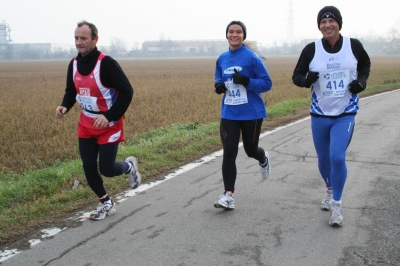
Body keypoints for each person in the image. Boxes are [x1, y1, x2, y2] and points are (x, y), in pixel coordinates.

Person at [292, 6, 371, 226]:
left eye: (331, 21)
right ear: (319, 26)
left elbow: (365, 65)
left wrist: (361, 82)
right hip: (319, 113)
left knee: (337, 157)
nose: (327, 25)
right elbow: (296, 76)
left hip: (345, 112)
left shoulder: (353, 45)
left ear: (339, 24)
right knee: (323, 159)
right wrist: (306, 79)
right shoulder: (311, 49)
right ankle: (329, 188)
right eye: (323, 23)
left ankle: (336, 206)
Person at [55, 20, 141, 221]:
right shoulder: (74, 64)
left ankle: (129, 167)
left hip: (109, 124)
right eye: (76, 38)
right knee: (88, 167)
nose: (79, 42)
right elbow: (71, 91)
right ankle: (106, 203)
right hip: (86, 124)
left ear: (95, 39)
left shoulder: (107, 63)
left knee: (107, 169)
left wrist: (109, 116)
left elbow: (127, 92)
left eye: (83, 38)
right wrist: (64, 106)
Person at [213, 21, 273, 210]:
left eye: (238, 32)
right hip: (229, 112)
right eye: (231, 32)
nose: (234, 35)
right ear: (227, 35)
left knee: (250, 150)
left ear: (243, 35)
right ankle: (228, 195)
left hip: (251, 113)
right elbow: (218, 77)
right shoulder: (222, 58)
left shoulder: (252, 57)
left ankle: (263, 158)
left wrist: (247, 81)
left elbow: (266, 83)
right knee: (229, 152)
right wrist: (218, 86)